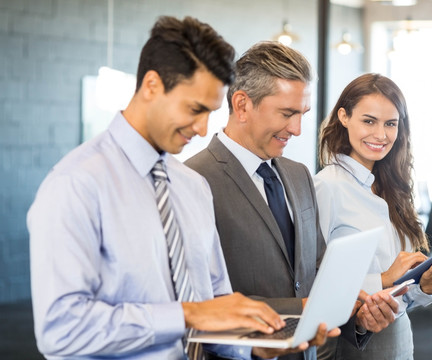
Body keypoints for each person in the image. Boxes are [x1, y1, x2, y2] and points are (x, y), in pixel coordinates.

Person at [27, 16, 332, 360]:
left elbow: (214, 306)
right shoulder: (76, 184)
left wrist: (249, 344)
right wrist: (185, 314)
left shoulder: (191, 186)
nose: (203, 129)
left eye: (211, 112)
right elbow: (61, 329)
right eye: (194, 109)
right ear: (152, 85)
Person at [185, 42, 401, 360]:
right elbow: (196, 304)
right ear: (242, 105)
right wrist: (298, 309)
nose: (297, 130)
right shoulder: (193, 181)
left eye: (302, 114)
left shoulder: (298, 175)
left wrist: (360, 317)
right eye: (287, 114)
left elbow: (317, 275)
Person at [314, 73, 432, 359]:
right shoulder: (327, 187)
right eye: (369, 121)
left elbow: (403, 294)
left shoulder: (391, 186)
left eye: (390, 124)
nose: (381, 135)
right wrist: (383, 279)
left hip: (399, 339)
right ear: (344, 117)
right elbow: (314, 283)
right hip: (350, 342)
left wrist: (427, 285)